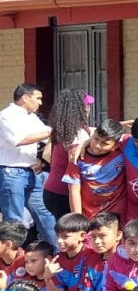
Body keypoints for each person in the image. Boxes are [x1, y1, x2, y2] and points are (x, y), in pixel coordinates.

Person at [0, 84, 50, 238]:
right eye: (38, 98)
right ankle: (12, 259)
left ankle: (54, 252)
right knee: (14, 220)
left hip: (30, 172)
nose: (40, 103)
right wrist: (51, 132)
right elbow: (19, 139)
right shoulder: (6, 115)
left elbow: (47, 134)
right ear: (25, 97)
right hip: (11, 172)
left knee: (44, 213)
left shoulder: (31, 117)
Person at [43, 89, 92, 221]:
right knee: (71, 232)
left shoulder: (63, 129)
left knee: (63, 234)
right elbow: (73, 173)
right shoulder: (77, 134)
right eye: (86, 106)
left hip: (52, 189)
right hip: (65, 192)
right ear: (78, 109)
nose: (88, 109)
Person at [63, 120, 126, 219]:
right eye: (95, 139)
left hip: (117, 215)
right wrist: (78, 218)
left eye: (104, 143)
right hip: (90, 215)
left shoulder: (122, 152)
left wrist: (85, 143)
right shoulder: (77, 158)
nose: (97, 145)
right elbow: (74, 191)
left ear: (116, 145)